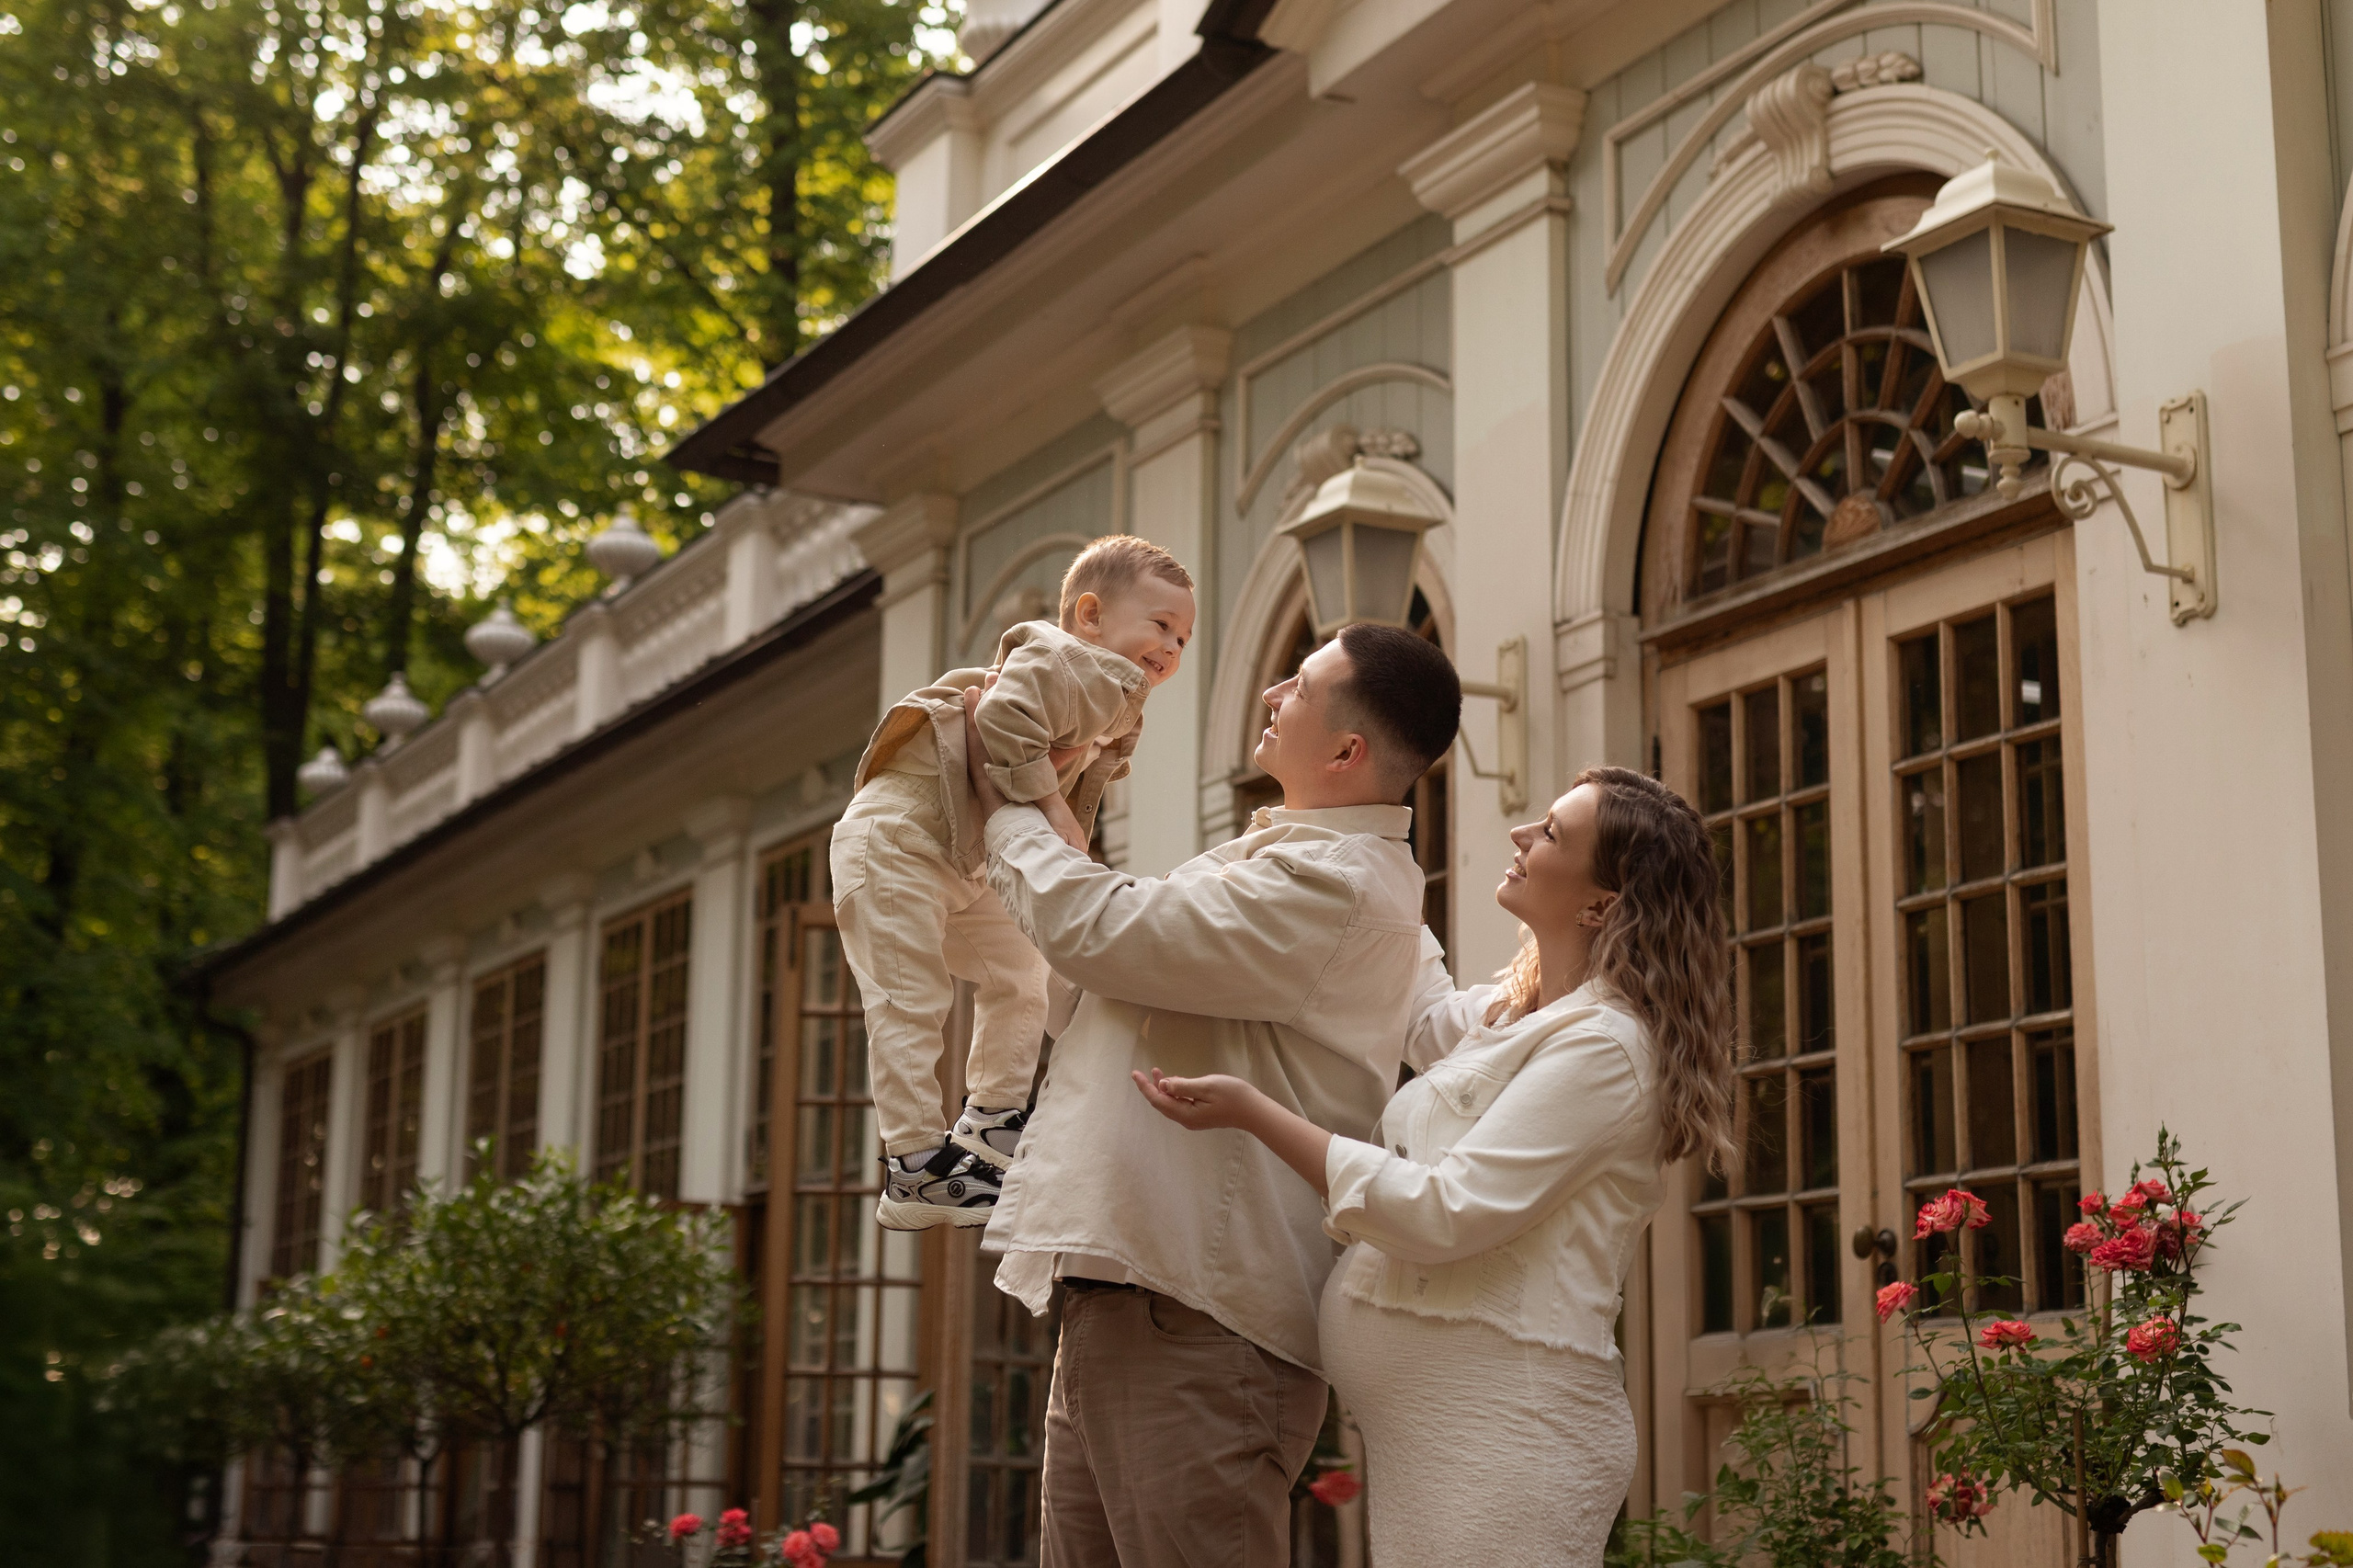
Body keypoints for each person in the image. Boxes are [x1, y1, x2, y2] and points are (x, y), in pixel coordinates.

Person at [1136, 767, 1737, 1567]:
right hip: (1445, 1437)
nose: (1523, 836)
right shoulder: (1515, 1017)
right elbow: (1419, 1014)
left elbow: (1445, 1210)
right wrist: (1361, 851)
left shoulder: (1607, 1048)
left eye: (1553, 833)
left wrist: (1254, 1113)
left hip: (1507, 1436)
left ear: (1601, 905)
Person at [960, 620, 1461, 1568]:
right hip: (1130, 1297)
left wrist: (1005, 808)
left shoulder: (1332, 882)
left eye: (1300, 687)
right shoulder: (1278, 858)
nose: (1273, 692)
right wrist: (1046, 825)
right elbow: (1097, 980)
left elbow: (1100, 930)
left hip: (1199, 1322)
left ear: (1348, 748)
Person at [832, 534, 1196, 1231]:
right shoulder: (1063, 659)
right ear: (1089, 615)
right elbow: (999, 721)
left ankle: (991, 1123)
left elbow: (1067, 784)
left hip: (966, 855)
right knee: (908, 998)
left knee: (1023, 971)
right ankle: (912, 1165)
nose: (1172, 647)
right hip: (899, 839)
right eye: (1159, 625)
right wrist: (1056, 808)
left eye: (1182, 636)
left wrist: (1066, 841)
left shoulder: (1115, 695)